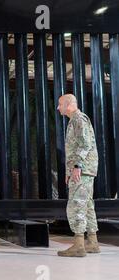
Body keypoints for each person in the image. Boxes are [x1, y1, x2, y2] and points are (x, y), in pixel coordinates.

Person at [57, 94, 100, 257]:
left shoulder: (78, 119)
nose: (58, 108)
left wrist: (77, 166)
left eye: (60, 104)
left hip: (82, 170)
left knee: (76, 204)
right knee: (87, 204)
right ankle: (92, 242)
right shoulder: (75, 120)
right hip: (84, 170)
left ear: (68, 104)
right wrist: (70, 170)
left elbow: (85, 144)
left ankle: (79, 245)